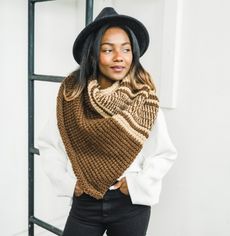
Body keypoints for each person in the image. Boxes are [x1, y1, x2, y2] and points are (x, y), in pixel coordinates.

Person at [37, 7, 177, 236]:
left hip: (130, 205)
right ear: (93, 54)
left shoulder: (144, 101)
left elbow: (164, 153)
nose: (119, 57)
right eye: (107, 49)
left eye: (126, 49)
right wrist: (68, 184)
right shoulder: (71, 99)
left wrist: (134, 185)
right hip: (85, 203)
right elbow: (48, 145)